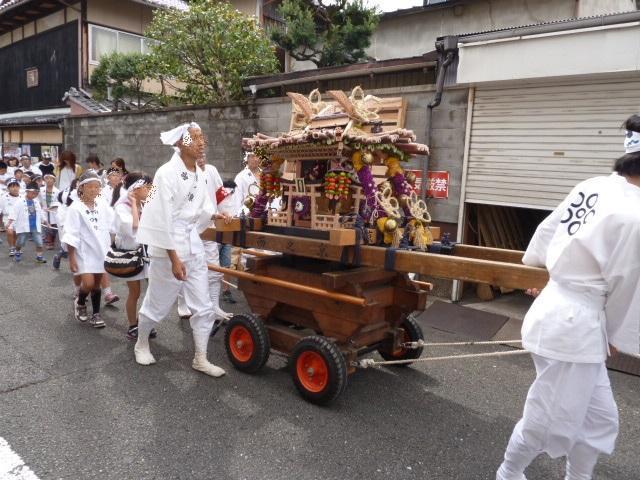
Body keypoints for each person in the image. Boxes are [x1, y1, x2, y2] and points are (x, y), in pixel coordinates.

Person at [496, 116, 640, 480]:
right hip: (574, 327)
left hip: (564, 313)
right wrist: (615, 334)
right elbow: (626, 283)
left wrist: (546, 269)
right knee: (548, 418)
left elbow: (549, 230)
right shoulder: (635, 212)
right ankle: (508, 474)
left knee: (598, 417)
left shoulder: (593, 186)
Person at [133, 122, 232, 376]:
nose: (201, 143)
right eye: (194, 138)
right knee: (157, 304)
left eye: (202, 137)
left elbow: (203, 209)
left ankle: (200, 357)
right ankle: (141, 342)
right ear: (179, 143)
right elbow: (160, 218)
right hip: (170, 248)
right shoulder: (166, 173)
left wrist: (216, 215)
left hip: (193, 246)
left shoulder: (200, 173)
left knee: (203, 306)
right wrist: (175, 259)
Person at [176, 153, 232, 328]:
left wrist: (226, 211)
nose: (201, 159)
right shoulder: (179, 174)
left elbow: (221, 195)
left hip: (209, 227)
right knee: (185, 268)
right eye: (197, 156)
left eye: (203, 155)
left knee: (214, 269)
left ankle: (214, 306)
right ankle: (182, 303)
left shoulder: (212, 171)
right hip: (186, 230)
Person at [61, 171, 115, 328]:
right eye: (90, 186)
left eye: (97, 187)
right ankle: (81, 300)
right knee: (89, 283)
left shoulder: (103, 205)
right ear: (82, 188)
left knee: (97, 284)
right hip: (83, 252)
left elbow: (114, 224)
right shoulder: (75, 208)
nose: (94, 189)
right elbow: (71, 233)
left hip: (101, 250)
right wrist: (71, 257)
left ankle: (96, 314)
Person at [111, 172, 156, 340]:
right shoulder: (122, 206)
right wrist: (135, 204)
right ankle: (132, 325)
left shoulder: (144, 202)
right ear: (136, 189)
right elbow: (135, 226)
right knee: (135, 292)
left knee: (153, 290)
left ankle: (146, 322)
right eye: (147, 187)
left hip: (146, 252)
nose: (150, 190)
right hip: (131, 254)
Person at [7, 181, 46, 263]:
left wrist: (45, 221)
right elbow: (14, 212)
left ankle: (39, 256)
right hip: (24, 226)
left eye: (36, 194)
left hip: (35, 225)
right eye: (33, 193)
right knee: (20, 241)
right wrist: (10, 222)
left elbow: (40, 212)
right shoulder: (20, 201)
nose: (34, 195)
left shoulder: (36, 202)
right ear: (27, 191)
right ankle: (17, 252)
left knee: (39, 241)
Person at [1, 178, 23, 256]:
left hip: (19, 218)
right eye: (12, 186)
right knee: (10, 232)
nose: (15, 188)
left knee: (16, 234)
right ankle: (12, 248)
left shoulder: (22, 197)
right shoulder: (3, 197)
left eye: (16, 186)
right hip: (7, 218)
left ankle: (15, 247)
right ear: (8, 188)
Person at [39, 173, 59, 250]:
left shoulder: (57, 191)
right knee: (46, 226)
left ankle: (52, 241)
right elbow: (38, 200)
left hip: (53, 211)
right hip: (44, 210)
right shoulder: (41, 190)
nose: (49, 180)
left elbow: (58, 202)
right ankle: (48, 241)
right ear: (45, 180)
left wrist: (52, 207)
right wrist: (41, 207)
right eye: (47, 178)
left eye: (51, 179)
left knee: (53, 227)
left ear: (54, 181)